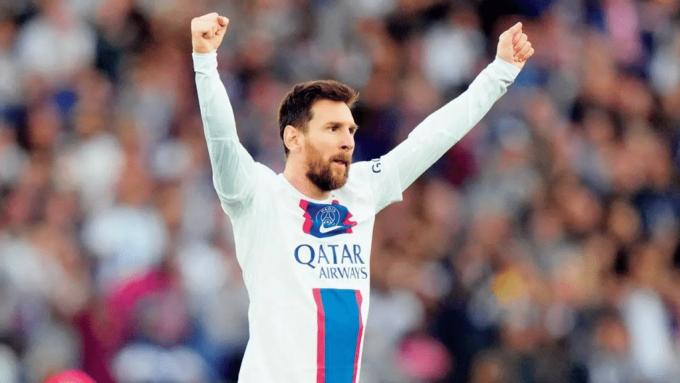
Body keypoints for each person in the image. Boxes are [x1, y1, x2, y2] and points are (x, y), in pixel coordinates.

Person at [191, 11, 533, 383]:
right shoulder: (256, 196)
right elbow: (222, 141)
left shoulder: (360, 190)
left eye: (350, 130)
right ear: (293, 138)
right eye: (332, 128)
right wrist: (205, 62)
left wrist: (499, 72)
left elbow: (432, 138)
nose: (347, 141)